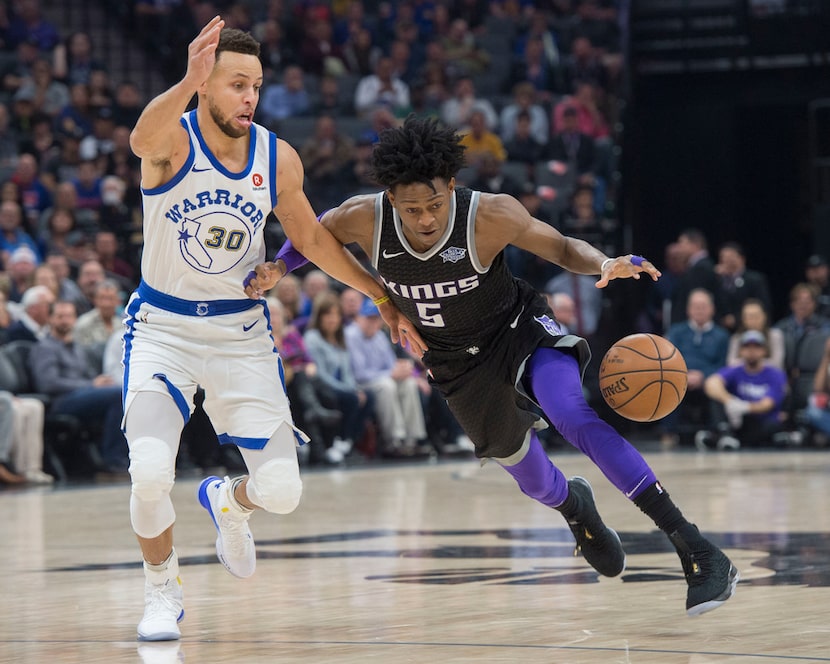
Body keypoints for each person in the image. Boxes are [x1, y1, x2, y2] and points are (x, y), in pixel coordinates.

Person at [249, 115, 739, 617]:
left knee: (571, 414)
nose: (425, 218)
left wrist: (604, 262)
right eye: (413, 207)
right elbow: (311, 235)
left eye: (436, 204)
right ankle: (577, 510)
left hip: (518, 328)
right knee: (529, 477)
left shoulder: (489, 214)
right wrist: (283, 267)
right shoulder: (363, 218)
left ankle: (696, 548)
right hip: (453, 360)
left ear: (453, 187)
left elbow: (563, 246)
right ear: (391, 198)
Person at [123, 18, 418, 643]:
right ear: (207, 85)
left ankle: (230, 501)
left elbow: (310, 238)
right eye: (236, 84)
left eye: (255, 85)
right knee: (149, 472)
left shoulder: (276, 155)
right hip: (163, 330)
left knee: (282, 493)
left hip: (239, 334)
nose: (249, 97)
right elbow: (137, 137)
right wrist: (185, 80)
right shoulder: (172, 140)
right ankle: (161, 590)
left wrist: (382, 296)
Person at [700, 330, 789, 451]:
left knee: (772, 426)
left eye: (756, 347)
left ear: (764, 351)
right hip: (738, 419)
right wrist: (730, 401)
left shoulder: (775, 374)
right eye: (747, 347)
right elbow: (711, 383)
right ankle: (725, 434)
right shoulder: (736, 370)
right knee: (716, 399)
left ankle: (720, 437)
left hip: (761, 420)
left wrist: (744, 407)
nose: (751, 351)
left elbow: (768, 404)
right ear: (741, 351)